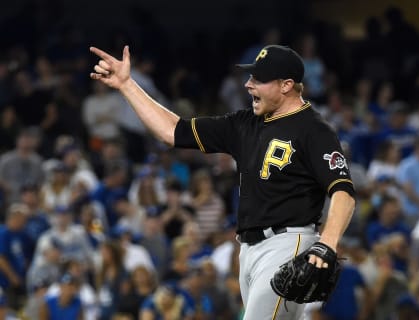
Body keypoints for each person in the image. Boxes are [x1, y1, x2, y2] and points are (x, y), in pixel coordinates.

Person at [90, 44, 356, 320]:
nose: (248, 84)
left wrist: (327, 243)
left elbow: (343, 192)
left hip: (289, 244)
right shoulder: (245, 123)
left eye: (258, 79)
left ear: (286, 85)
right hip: (249, 250)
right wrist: (126, 85)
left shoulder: (314, 130)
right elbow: (172, 131)